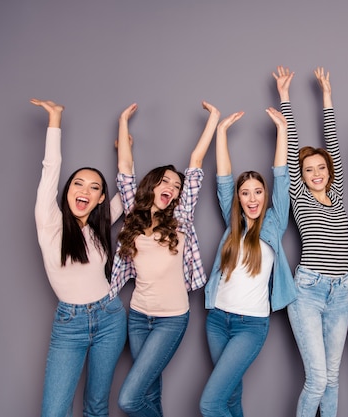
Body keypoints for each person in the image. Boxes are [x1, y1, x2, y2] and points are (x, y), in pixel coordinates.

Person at [111, 101, 220, 417]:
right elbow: (124, 171)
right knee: (149, 392)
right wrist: (122, 122)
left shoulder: (182, 216)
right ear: (152, 185)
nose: (171, 188)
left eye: (176, 185)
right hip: (138, 316)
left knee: (129, 399)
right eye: (165, 181)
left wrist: (213, 119)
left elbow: (196, 162)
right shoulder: (134, 213)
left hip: (172, 319)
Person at [31, 98, 127, 417]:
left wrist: (125, 150)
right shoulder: (50, 222)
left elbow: (129, 191)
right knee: (55, 411)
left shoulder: (100, 227)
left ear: (100, 198)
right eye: (78, 184)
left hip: (110, 316)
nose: (83, 191)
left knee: (97, 406)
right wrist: (55, 121)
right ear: (68, 189)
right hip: (69, 324)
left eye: (94, 187)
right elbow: (51, 170)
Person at [199, 107, 295, 417]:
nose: (252, 199)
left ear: (265, 197)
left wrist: (282, 130)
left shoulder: (274, 222)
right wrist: (222, 133)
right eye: (245, 193)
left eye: (257, 192)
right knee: (229, 398)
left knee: (209, 404)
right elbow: (223, 178)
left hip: (250, 325)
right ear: (238, 198)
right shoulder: (233, 223)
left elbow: (282, 177)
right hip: (216, 320)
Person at [274, 66, 348, 417]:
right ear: (301, 177)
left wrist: (327, 95)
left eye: (321, 168)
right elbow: (291, 151)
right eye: (309, 170)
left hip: (341, 292)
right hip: (309, 290)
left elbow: (330, 141)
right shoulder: (299, 197)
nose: (316, 173)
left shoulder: (337, 194)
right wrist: (285, 97)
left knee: (333, 378)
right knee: (317, 378)